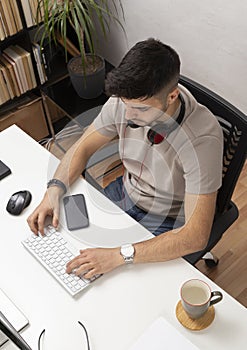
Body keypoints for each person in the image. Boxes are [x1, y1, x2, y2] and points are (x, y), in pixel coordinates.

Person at [27, 38, 223, 279]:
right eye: (124, 105)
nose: (128, 116)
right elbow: (84, 146)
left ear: (171, 97)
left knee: (117, 281)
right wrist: (53, 190)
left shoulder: (202, 139)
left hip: (166, 219)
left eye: (140, 110)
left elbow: (195, 235)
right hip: (125, 192)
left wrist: (119, 255)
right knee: (67, 247)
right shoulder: (127, 101)